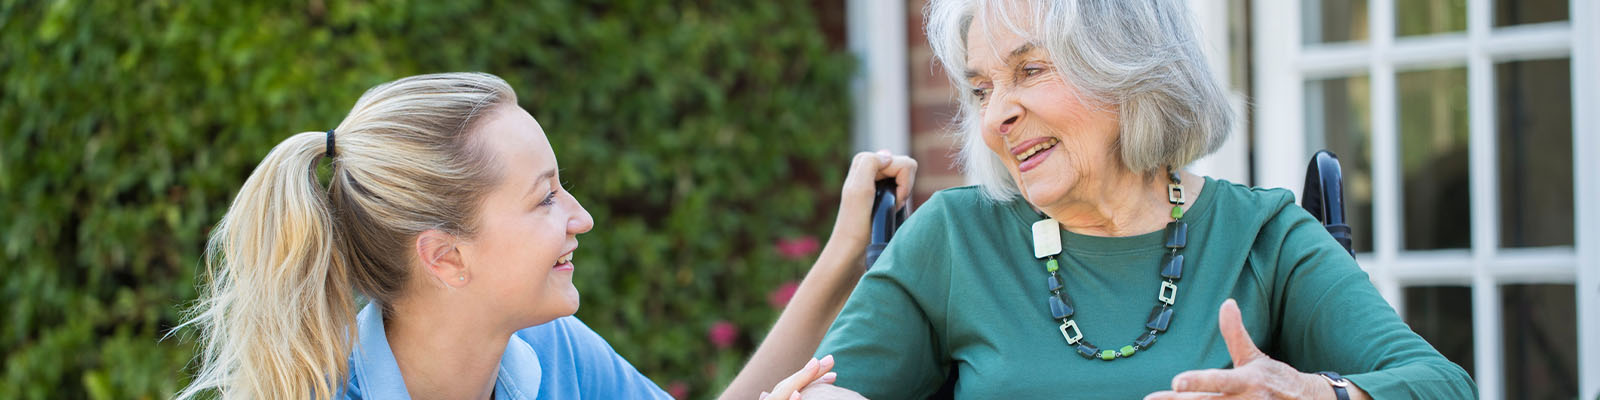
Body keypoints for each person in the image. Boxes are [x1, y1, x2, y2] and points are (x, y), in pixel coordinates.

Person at [806, 1, 1477, 399]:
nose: (995, 118)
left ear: (1127, 66)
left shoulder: (1261, 234)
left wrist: (1320, 394)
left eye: (1030, 71)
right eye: (982, 89)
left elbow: (1445, 386)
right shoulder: (954, 241)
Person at [175, 72, 909, 399]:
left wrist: (846, 253)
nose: (580, 216)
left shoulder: (548, 357)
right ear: (445, 257)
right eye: (545, 197)